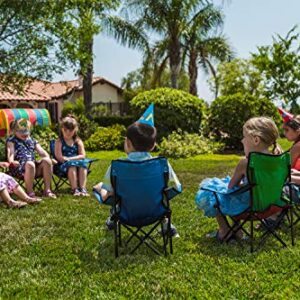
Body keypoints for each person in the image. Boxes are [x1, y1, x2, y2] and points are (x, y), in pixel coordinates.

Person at [195, 117, 282, 241]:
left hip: (249, 206)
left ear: (256, 140)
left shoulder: (245, 163)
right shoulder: (278, 160)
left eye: (244, 137)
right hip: (271, 205)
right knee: (234, 195)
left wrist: (240, 184)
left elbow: (231, 187)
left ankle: (224, 230)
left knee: (213, 192)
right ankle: (237, 232)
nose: (242, 140)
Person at [93, 122, 182, 236]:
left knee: (106, 191)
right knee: (161, 196)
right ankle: (167, 225)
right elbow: (176, 187)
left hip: (126, 214)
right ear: (153, 145)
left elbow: (106, 196)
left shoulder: (117, 166)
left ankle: (112, 220)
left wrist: (100, 189)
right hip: (155, 213)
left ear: (128, 143)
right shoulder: (162, 164)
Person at [6, 118, 56, 198]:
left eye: (26, 131)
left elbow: (42, 152)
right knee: (30, 164)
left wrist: (49, 158)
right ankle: (30, 192)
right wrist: (12, 161)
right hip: (19, 168)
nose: (25, 134)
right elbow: (11, 152)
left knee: (47, 161)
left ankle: (47, 190)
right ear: (15, 131)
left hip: (33, 168)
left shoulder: (32, 140)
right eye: (21, 131)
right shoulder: (12, 140)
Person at [54, 115, 90, 196]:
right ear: (62, 129)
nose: (68, 132)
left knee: (83, 164)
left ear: (75, 130)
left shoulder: (77, 141)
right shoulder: (59, 141)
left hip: (75, 162)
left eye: (71, 130)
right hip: (63, 165)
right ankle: (74, 189)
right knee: (72, 165)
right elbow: (59, 157)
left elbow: (83, 155)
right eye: (65, 129)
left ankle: (83, 188)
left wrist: (70, 158)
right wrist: (68, 160)